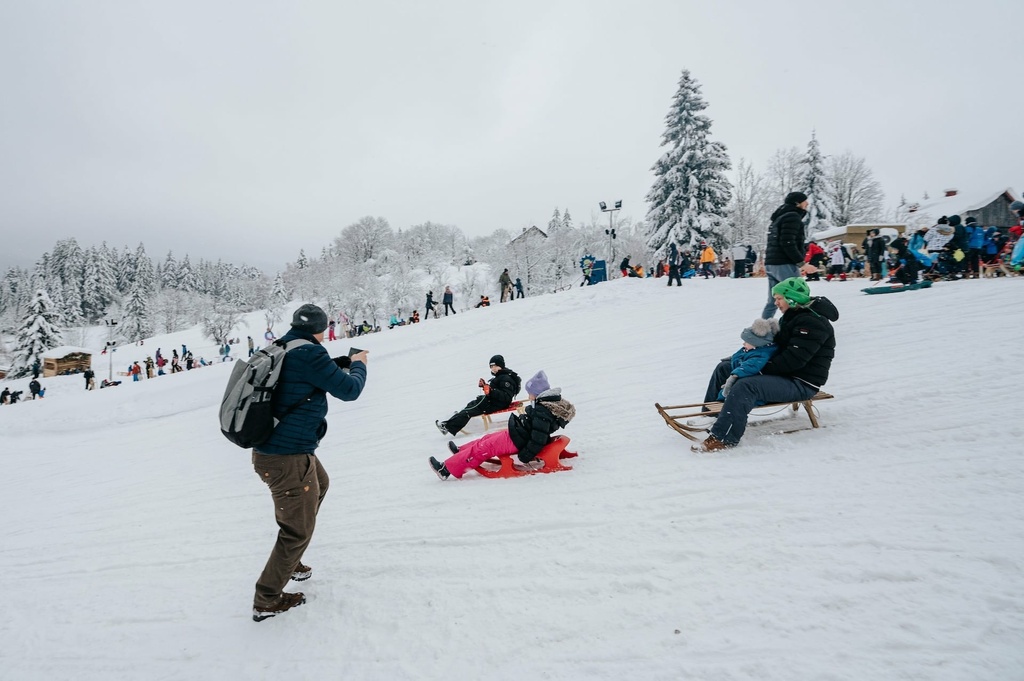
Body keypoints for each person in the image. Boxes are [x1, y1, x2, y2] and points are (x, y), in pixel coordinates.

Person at [250, 303, 368, 622]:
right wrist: (358, 364)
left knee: (321, 484)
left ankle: (291, 562)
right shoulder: (309, 354)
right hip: (286, 457)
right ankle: (267, 599)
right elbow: (350, 390)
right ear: (320, 328)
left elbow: (308, 375)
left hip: (277, 451)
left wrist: (339, 362)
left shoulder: (283, 347)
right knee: (296, 531)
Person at [692, 277, 838, 452]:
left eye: (779, 298)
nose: (775, 303)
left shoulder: (812, 323)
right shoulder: (792, 317)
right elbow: (773, 347)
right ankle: (712, 416)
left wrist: (757, 370)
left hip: (801, 382)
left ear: (792, 298)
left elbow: (793, 361)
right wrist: (744, 358)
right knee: (724, 368)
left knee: (747, 385)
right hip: (785, 375)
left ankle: (723, 438)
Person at [430, 371, 575, 480]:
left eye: (530, 393)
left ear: (537, 393)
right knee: (486, 439)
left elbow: (538, 437)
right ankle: (461, 452)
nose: (529, 396)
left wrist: (525, 456)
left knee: (483, 448)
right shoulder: (543, 406)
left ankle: (445, 469)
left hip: (517, 440)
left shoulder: (543, 411)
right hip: (517, 433)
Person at [762, 192, 817, 318]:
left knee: (773, 301)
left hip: (772, 264)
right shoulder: (792, 217)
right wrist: (802, 263)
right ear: (797, 203)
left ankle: (763, 330)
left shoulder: (780, 218)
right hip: (784, 263)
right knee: (798, 296)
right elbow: (787, 242)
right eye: (804, 201)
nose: (807, 203)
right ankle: (802, 327)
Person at [435, 355, 521, 437]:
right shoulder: (501, 376)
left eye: (495, 366)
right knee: (471, 405)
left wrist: (490, 390)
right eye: (491, 367)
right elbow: (497, 392)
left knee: (469, 410)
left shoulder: (506, 378)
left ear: (501, 365)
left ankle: (447, 426)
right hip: (493, 401)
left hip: (496, 404)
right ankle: (455, 419)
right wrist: (485, 386)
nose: (493, 368)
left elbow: (506, 397)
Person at [713, 318, 780, 401]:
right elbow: (742, 354)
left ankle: (719, 404)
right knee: (722, 367)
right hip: (743, 380)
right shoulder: (755, 348)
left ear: (756, 342)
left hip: (751, 388)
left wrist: (733, 376)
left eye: (746, 342)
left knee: (725, 393)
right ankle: (710, 405)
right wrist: (733, 357)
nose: (743, 343)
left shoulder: (761, 354)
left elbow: (749, 366)